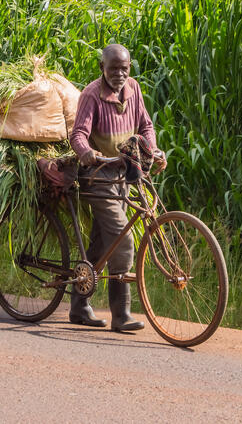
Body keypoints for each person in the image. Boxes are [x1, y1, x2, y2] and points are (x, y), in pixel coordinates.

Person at [68, 44, 167, 331]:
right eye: (113, 69)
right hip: (98, 177)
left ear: (130, 68)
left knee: (102, 243)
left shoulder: (133, 89)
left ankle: (78, 308)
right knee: (123, 240)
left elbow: (146, 126)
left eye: (124, 69)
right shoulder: (91, 95)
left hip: (124, 174)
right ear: (102, 68)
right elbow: (79, 134)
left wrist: (152, 149)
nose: (119, 74)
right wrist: (86, 152)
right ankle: (121, 314)